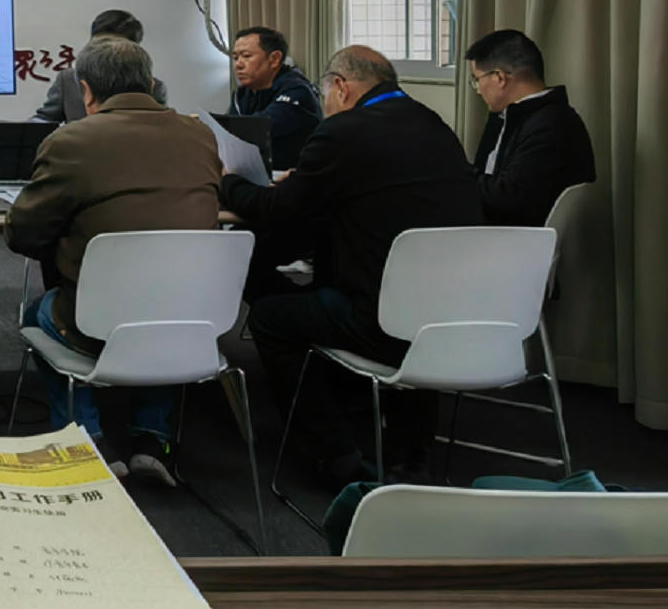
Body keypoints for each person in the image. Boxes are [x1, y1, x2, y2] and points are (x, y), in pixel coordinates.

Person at [223, 46, 483, 487]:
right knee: (342, 277)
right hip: (452, 311)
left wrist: (228, 182)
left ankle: (333, 455)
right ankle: (410, 454)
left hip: (380, 321)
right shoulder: (434, 124)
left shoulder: (343, 131)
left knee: (270, 317)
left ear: (341, 87)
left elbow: (278, 209)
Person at [7, 38, 221, 484]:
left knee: (39, 313)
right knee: (160, 300)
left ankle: (87, 441)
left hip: (96, 324)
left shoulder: (71, 140)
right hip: (188, 321)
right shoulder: (201, 136)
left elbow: (24, 235)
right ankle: (153, 439)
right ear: (150, 83)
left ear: (86, 90)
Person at [465, 29, 596, 226]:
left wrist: (452, 175)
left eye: (477, 80)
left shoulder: (552, 125)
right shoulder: (515, 116)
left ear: (499, 78)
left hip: (516, 235)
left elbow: (510, 198)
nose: (478, 91)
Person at [34, 9, 167, 122]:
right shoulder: (68, 80)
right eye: (101, 44)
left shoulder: (153, 88)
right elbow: (44, 120)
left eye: (117, 46)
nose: (106, 52)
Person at [229, 26, 322, 170]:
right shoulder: (242, 95)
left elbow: (261, 127)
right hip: (255, 174)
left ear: (274, 59)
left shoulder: (298, 90)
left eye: (246, 56)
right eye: (236, 58)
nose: (238, 64)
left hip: (294, 176)